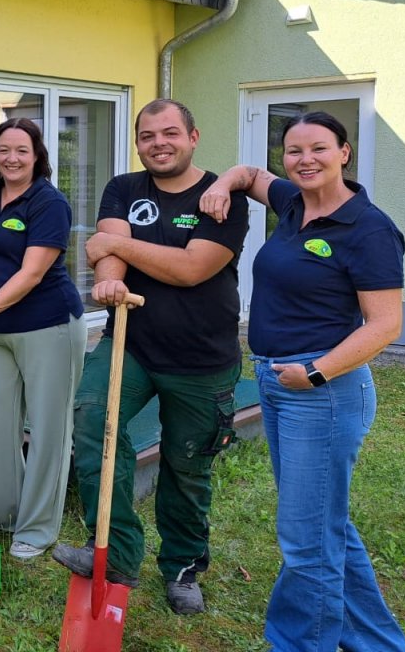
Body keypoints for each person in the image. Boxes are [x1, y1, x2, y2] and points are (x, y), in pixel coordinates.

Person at [200, 112, 405, 650]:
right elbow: (248, 174)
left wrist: (316, 372)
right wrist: (224, 183)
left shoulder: (368, 228)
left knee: (306, 539)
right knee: (324, 526)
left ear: (345, 152)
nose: (305, 159)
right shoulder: (293, 202)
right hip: (277, 380)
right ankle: (378, 643)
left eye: (319, 148)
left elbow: (386, 324)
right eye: (293, 151)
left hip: (322, 392)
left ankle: (296, 643)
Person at [50, 99, 249, 614]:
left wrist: (117, 251)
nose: (158, 143)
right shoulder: (124, 187)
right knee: (94, 425)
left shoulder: (223, 197)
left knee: (186, 468)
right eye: (147, 135)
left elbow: (191, 269)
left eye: (169, 133)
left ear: (193, 136)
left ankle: (182, 570)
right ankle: (115, 556)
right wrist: (112, 274)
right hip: (130, 343)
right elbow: (108, 246)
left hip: (202, 360)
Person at [0, 117, 87, 561]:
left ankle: (38, 528)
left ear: (37, 156)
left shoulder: (49, 202)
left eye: (21, 151)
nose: (11, 158)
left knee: (48, 428)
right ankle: (8, 512)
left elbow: (31, 274)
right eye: (3, 150)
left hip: (49, 325)